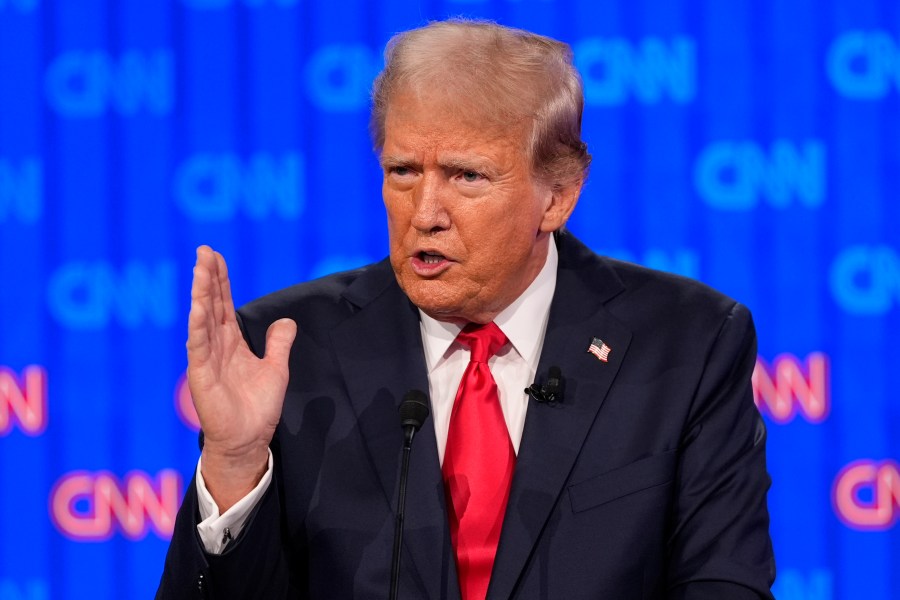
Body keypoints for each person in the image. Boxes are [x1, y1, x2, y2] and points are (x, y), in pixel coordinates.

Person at [157, 19, 775, 599]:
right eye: (403, 171)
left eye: (467, 177)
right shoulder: (288, 351)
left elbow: (724, 584)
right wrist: (235, 463)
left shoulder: (687, 344)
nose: (425, 213)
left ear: (557, 197)